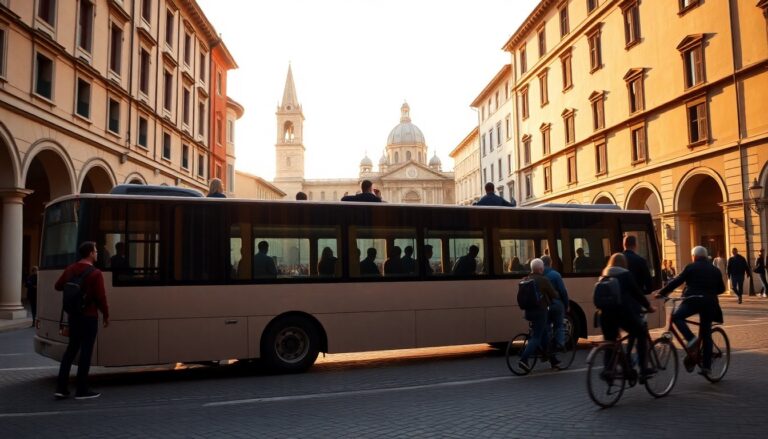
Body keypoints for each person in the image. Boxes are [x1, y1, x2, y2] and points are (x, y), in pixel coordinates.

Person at [656, 246, 725, 375]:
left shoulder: (691, 267)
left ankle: (691, 339)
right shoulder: (715, 270)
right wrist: (709, 293)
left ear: (694, 256)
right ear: (705, 257)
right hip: (710, 304)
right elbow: (721, 289)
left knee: (677, 317)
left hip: (693, 300)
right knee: (706, 333)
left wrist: (662, 293)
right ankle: (707, 367)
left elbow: (677, 281)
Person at [54, 242, 109, 400]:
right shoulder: (95, 273)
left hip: (74, 316)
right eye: (96, 251)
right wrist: (106, 315)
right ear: (91, 253)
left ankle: (61, 388)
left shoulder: (70, 269)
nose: (97, 254)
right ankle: (81, 389)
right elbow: (101, 297)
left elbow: (58, 286)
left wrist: (73, 289)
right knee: (86, 352)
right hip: (89, 316)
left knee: (71, 350)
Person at [599, 253, 656, 381]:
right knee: (641, 333)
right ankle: (643, 369)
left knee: (610, 342)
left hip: (605, 315)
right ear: (624, 263)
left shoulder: (604, 274)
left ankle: (609, 370)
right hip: (622, 314)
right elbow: (637, 294)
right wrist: (649, 307)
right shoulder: (625, 274)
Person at [518, 258, 560, 372]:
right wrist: (557, 293)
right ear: (541, 269)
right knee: (536, 337)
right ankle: (524, 360)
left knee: (544, 332)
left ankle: (552, 359)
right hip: (540, 312)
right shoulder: (543, 280)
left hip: (528, 312)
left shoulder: (526, 279)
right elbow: (553, 294)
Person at [541, 255, 568, 355]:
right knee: (559, 325)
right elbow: (563, 291)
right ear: (550, 263)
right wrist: (566, 304)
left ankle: (547, 348)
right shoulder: (555, 275)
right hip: (556, 304)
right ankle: (559, 344)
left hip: (543, 305)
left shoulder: (539, 275)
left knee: (546, 326)